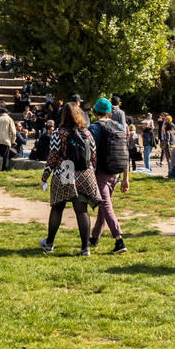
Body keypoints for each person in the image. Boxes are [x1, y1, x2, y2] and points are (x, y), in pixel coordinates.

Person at [38, 102, 101, 255]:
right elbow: (93, 156)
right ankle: (85, 248)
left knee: (58, 206)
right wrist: (92, 173)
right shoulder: (87, 133)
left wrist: (44, 178)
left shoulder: (59, 133)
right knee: (81, 209)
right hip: (85, 172)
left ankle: (49, 242)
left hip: (66, 170)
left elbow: (52, 157)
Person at [86, 97, 129, 254]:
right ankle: (95, 237)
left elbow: (90, 152)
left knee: (105, 205)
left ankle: (119, 240)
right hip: (116, 171)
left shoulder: (94, 128)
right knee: (105, 206)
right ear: (110, 112)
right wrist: (126, 177)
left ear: (95, 112)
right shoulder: (119, 126)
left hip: (101, 171)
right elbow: (125, 152)